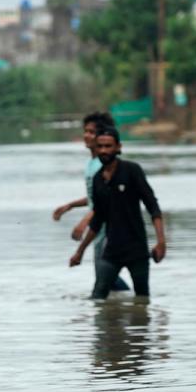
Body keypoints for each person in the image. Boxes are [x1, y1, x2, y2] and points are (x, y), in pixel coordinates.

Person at [69, 127, 166, 300]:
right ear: (96, 148)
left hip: (137, 250)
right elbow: (97, 220)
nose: (104, 151)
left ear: (118, 147)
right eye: (100, 146)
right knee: (97, 297)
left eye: (108, 146)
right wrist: (80, 252)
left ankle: (140, 327)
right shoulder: (98, 179)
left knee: (142, 299)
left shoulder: (132, 170)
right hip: (112, 252)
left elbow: (153, 207)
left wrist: (161, 242)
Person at [53, 111, 129, 292]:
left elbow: (107, 199)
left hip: (109, 228)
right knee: (104, 274)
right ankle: (127, 303)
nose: (86, 135)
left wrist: (84, 221)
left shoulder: (103, 166)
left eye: (91, 132)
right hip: (99, 229)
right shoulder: (92, 164)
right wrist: (70, 206)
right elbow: (95, 197)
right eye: (85, 131)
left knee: (104, 274)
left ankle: (129, 303)